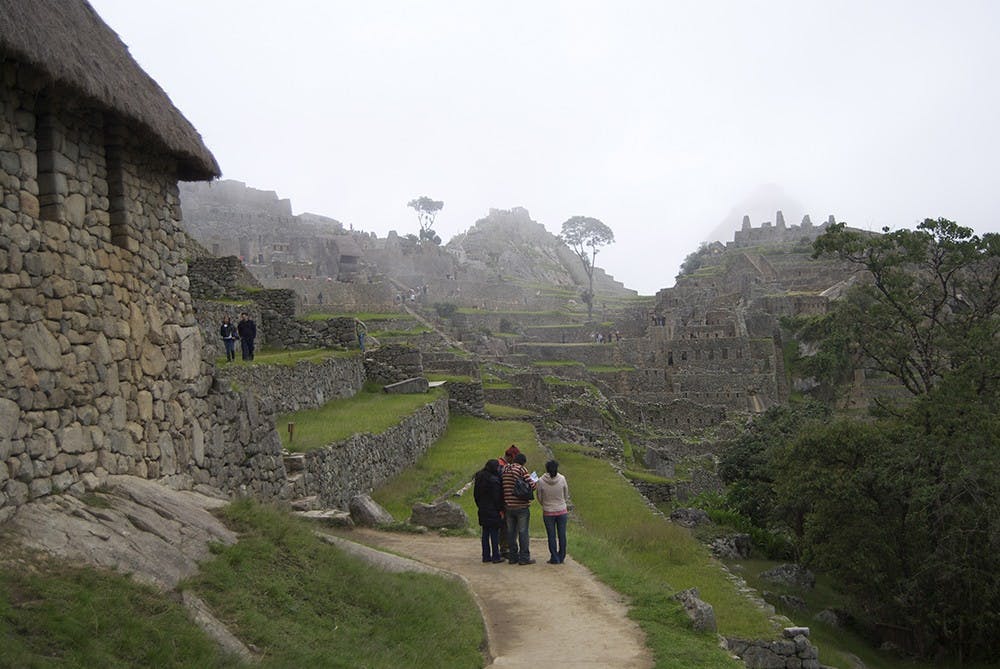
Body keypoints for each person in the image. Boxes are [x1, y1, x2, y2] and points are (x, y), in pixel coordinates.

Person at [502, 451, 536, 565]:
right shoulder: (521, 469)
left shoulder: (505, 469)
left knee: (511, 532)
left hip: (508, 506)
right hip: (521, 506)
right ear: (523, 462)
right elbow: (532, 485)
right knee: (523, 532)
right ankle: (524, 558)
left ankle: (512, 557)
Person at [536, 459, 570, 564]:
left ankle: (554, 557)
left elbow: (539, 497)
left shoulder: (541, 481)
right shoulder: (562, 479)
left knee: (551, 535)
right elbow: (566, 494)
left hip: (548, 511)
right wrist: (561, 503)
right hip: (561, 510)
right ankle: (562, 556)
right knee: (562, 534)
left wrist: (545, 504)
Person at [473, 459, 505, 563]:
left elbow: (476, 495)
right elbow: (497, 497)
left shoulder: (479, 477)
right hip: (493, 509)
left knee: (485, 533)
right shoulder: (494, 480)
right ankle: (496, 556)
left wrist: (480, 505)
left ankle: (486, 556)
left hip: (482, 508)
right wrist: (500, 508)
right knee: (494, 533)